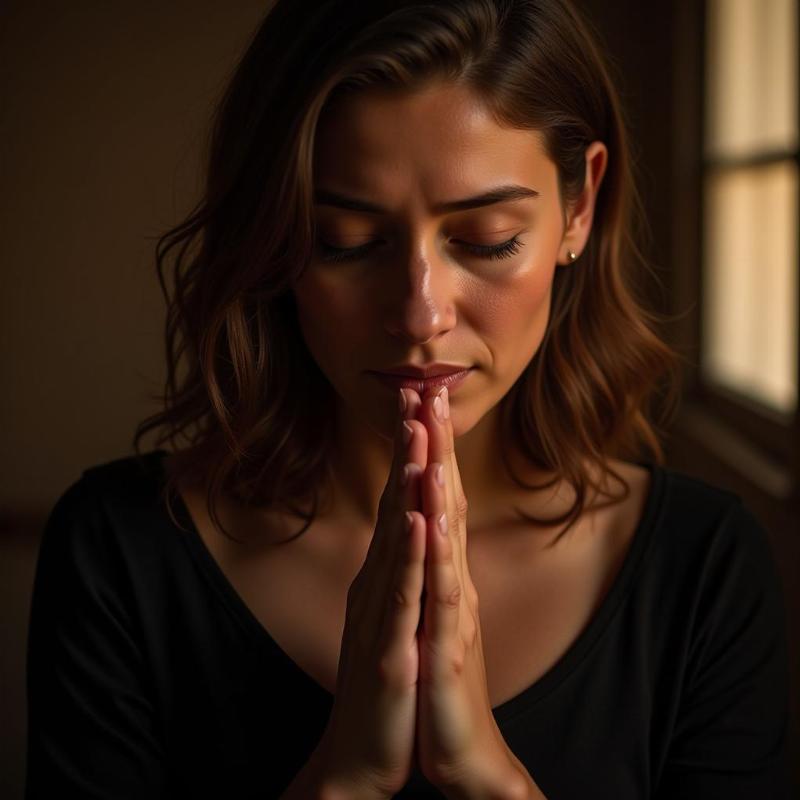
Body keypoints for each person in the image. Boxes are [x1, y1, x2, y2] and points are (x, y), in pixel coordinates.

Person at [25, 0, 793, 798]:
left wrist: (494, 784)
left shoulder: (702, 568)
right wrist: (344, 779)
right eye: (347, 243)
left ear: (580, 206)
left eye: (488, 237)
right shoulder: (121, 548)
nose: (421, 313)